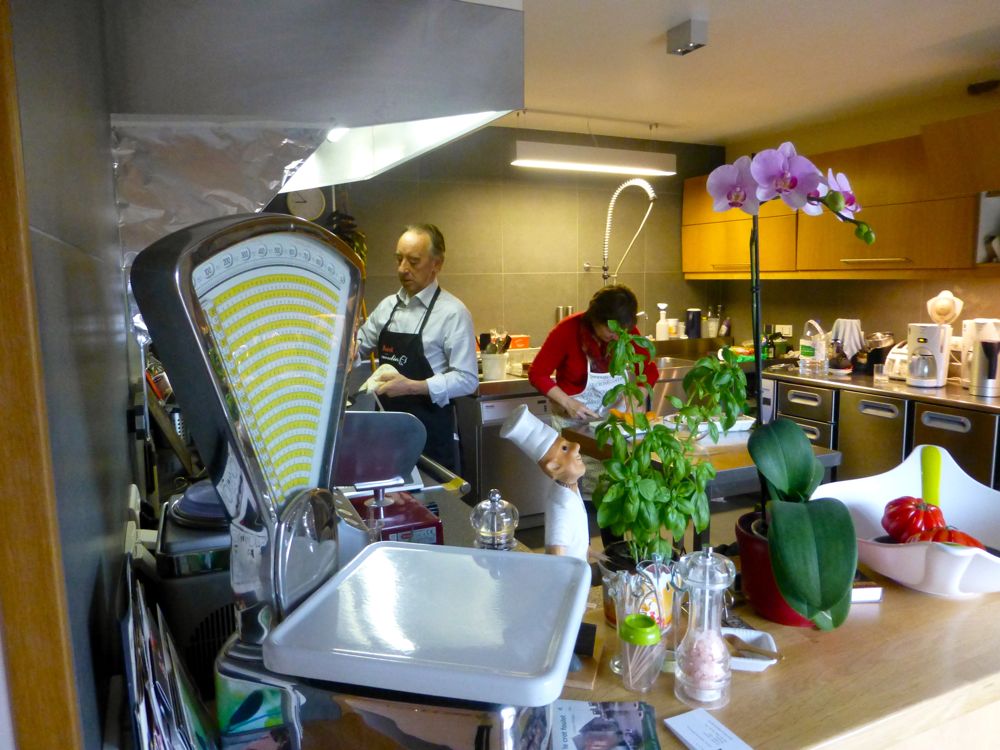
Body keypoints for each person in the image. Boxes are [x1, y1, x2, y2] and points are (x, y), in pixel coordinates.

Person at [355, 224, 477, 471]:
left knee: (431, 506)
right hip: (387, 434)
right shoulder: (388, 307)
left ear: (437, 263)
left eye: (413, 261)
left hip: (430, 437)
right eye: (399, 259)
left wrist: (411, 386)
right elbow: (359, 345)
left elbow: (467, 379)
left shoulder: (452, 313)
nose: (403, 269)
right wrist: (346, 345)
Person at [529, 285, 659, 426]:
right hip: (573, 421)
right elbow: (537, 374)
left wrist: (636, 400)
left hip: (615, 421)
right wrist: (568, 403)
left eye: (622, 332)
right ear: (596, 319)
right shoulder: (566, 330)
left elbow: (649, 371)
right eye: (611, 330)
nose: (617, 337)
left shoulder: (625, 330)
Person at [499, 403, 589, 561]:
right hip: (568, 579)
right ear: (554, 467)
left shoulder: (569, 489)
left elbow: (575, 534)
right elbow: (556, 553)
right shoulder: (562, 506)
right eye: (565, 448)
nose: (577, 446)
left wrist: (589, 551)